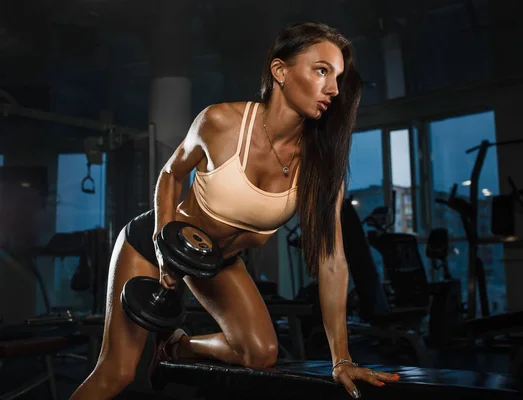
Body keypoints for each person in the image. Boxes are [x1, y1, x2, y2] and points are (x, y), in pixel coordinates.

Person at [70, 21, 400, 400]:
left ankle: (176, 348)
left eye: (338, 76)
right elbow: (170, 173)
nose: (333, 89)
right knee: (117, 374)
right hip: (155, 243)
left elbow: (332, 261)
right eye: (321, 70)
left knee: (260, 353)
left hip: (218, 261)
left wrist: (340, 358)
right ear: (280, 71)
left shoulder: (321, 167)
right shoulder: (221, 122)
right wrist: (163, 245)